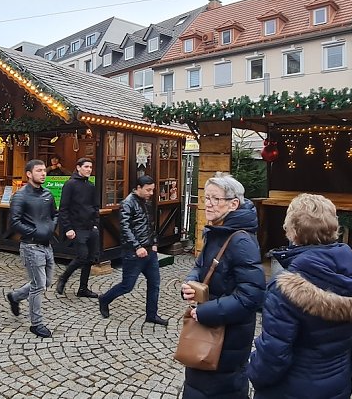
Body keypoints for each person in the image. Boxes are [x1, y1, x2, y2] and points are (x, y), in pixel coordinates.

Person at [246, 193, 352, 399]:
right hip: (337, 385)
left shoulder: (286, 287)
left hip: (291, 390)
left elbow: (274, 354)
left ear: (293, 232)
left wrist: (253, 372)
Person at [180, 173, 265, 399]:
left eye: (215, 199)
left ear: (233, 203)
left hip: (227, 338)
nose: (208, 203)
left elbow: (252, 297)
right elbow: (200, 266)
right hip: (209, 329)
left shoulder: (241, 241)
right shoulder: (216, 230)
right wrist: (190, 283)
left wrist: (205, 312)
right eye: (206, 197)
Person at [98, 175, 168, 326]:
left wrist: (154, 243)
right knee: (127, 286)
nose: (151, 193)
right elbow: (125, 228)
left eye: (152, 190)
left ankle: (151, 314)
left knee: (154, 284)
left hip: (150, 251)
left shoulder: (147, 202)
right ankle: (104, 299)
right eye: (148, 190)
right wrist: (137, 247)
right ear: (138, 188)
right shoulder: (127, 203)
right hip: (133, 253)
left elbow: (151, 224)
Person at [5, 159, 57, 338]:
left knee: (46, 282)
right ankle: (36, 323)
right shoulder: (20, 196)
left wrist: (50, 228)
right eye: (39, 171)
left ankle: (15, 296)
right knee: (38, 285)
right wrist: (35, 232)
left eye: (44, 170)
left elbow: (54, 214)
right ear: (29, 174)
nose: (43, 173)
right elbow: (14, 222)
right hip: (31, 246)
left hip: (47, 245)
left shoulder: (48, 194)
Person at [55, 157, 100, 298]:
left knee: (90, 259)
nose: (89, 169)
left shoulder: (91, 186)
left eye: (90, 167)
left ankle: (83, 289)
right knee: (82, 256)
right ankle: (63, 278)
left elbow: (95, 206)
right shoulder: (70, 184)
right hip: (77, 227)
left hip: (90, 228)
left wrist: (95, 225)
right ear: (78, 167)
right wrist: (68, 228)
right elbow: (63, 208)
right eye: (86, 167)